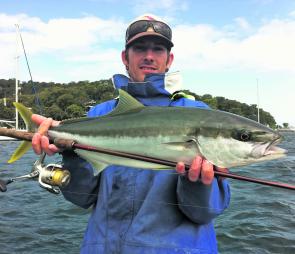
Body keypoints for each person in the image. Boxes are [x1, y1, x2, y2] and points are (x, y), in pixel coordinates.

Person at [32, 14, 230, 254]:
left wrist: (198, 184)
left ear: (169, 60)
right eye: (140, 48)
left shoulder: (197, 114)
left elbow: (204, 213)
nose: (149, 56)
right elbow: (81, 198)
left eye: (158, 49)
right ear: (125, 58)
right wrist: (72, 155)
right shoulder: (100, 114)